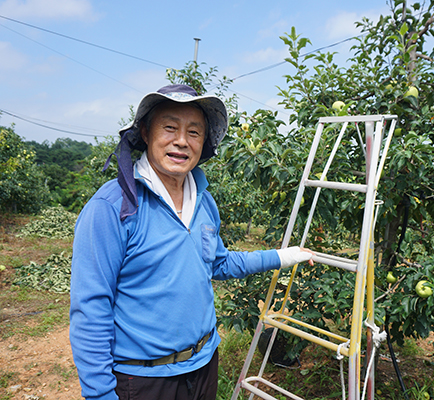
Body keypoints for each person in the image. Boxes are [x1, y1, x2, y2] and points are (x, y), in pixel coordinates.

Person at [69, 84, 313, 400]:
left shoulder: (204, 202)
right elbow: (91, 306)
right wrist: (100, 394)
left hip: (203, 365)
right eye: (170, 127)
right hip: (143, 378)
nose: (182, 141)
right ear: (145, 132)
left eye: (194, 132)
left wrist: (283, 256)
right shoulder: (114, 207)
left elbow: (219, 263)